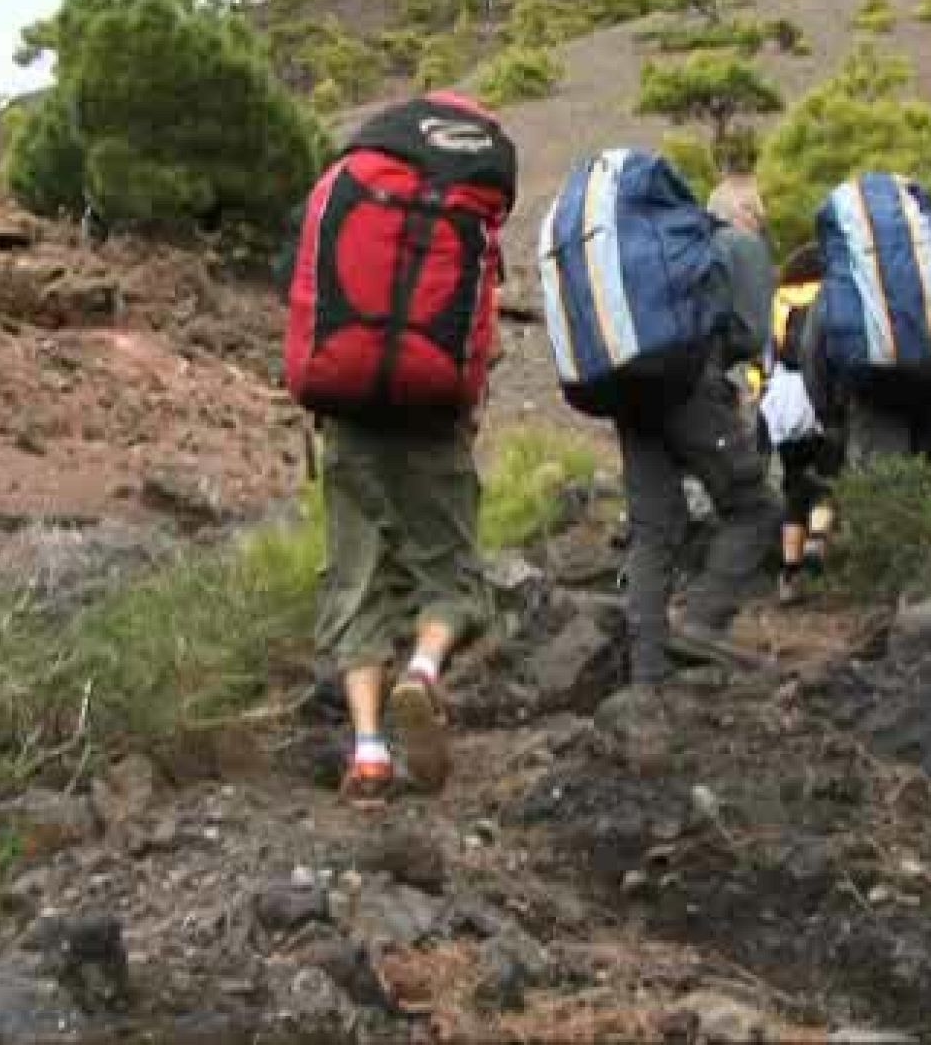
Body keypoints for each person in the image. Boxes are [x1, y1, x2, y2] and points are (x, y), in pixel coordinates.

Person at [282, 92, 517, 808]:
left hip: (347, 412)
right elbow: (488, 340)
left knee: (357, 577)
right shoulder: (465, 213)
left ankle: (369, 752)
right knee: (451, 575)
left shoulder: (350, 185)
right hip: (432, 417)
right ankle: (422, 668)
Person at [537, 148, 780, 686]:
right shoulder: (734, 246)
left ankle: (647, 673)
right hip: (690, 386)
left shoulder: (657, 257)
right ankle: (701, 621)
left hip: (630, 389)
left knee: (653, 528)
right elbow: (749, 336)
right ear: (748, 213)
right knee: (754, 509)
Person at [804, 172, 931, 468]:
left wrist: (830, 417)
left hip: (875, 395)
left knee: (885, 496)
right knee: (930, 486)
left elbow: (815, 352)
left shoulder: (845, 283)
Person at [754, 250, 842, 606]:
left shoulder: (777, 301)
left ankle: (789, 572)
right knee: (827, 472)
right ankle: (818, 539)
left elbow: (763, 356)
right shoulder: (831, 296)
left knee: (793, 482)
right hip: (819, 391)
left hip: (783, 396)